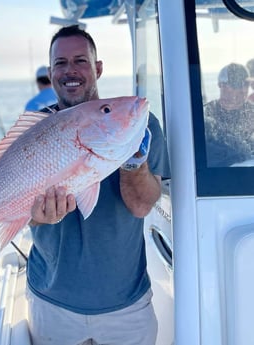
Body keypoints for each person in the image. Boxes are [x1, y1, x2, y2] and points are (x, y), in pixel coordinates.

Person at [26, 25, 170, 345]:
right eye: (61, 63)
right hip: (51, 301)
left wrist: (133, 163)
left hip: (126, 303)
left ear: (98, 68)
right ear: (51, 73)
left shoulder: (141, 125)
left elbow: (142, 205)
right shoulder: (35, 131)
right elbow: (19, 209)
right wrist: (37, 215)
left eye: (80, 60)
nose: (70, 70)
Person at [204, 63, 254, 167]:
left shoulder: (251, 112)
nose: (244, 89)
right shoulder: (205, 113)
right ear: (221, 85)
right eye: (237, 84)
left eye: (246, 84)